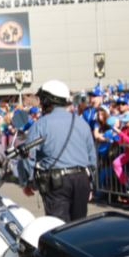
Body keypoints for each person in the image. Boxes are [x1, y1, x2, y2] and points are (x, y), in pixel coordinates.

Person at [19, 80, 97, 223]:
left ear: (49, 100)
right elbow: (91, 156)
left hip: (56, 182)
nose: (41, 104)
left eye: (42, 100)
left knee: (58, 227)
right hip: (82, 180)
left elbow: (28, 156)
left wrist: (26, 182)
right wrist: (91, 184)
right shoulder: (81, 122)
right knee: (80, 225)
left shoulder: (40, 124)